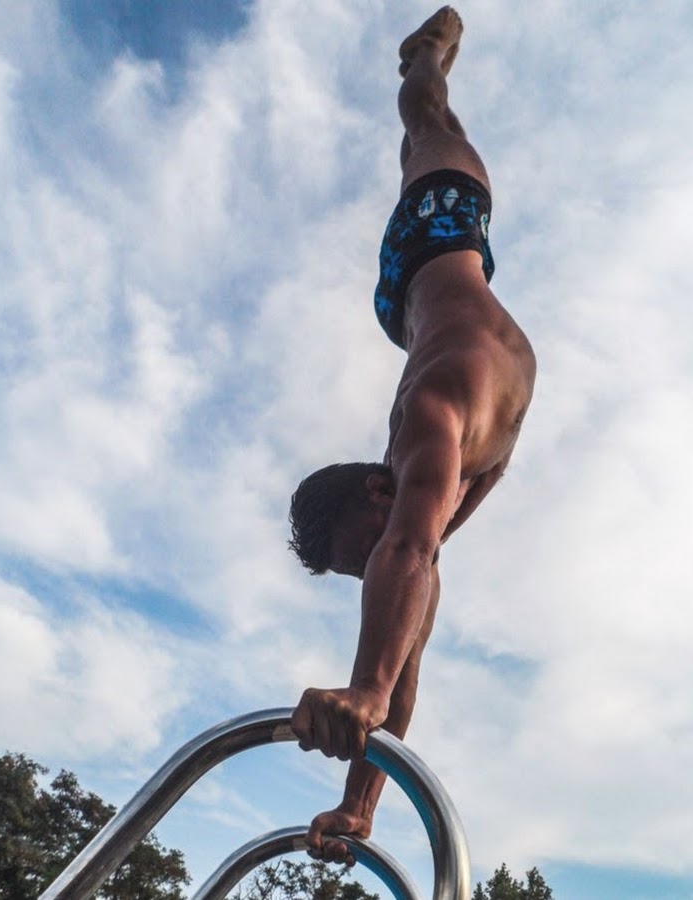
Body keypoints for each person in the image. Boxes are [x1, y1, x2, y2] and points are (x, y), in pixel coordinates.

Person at [288, 6, 536, 862]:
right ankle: (424, 74)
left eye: (361, 550)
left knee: (427, 125)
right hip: (433, 298)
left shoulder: (426, 421)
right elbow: (408, 654)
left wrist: (361, 684)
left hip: (433, 240)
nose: (376, 563)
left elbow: (403, 556)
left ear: (374, 490)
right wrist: (359, 805)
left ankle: (422, 57)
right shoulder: (435, 505)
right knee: (432, 139)